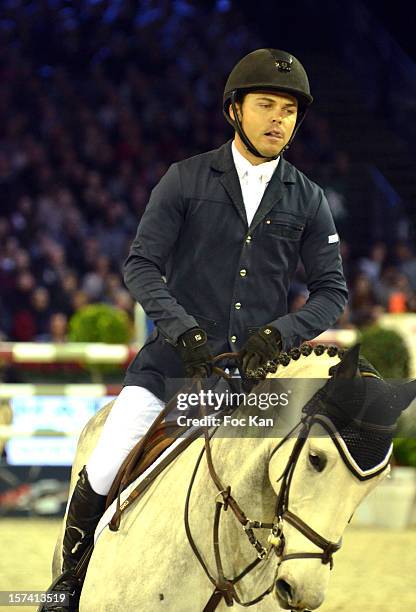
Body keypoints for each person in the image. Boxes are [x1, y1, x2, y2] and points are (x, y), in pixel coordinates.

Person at [42, 48, 348, 611]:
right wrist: (184, 332)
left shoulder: (307, 198)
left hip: (254, 383)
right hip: (171, 368)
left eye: (289, 110)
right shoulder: (184, 179)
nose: (279, 119)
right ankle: (70, 580)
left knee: (298, 476)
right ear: (235, 110)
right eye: (266, 105)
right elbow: (140, 265)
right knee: (107, 459)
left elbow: (333, 291)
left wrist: (280, 334)